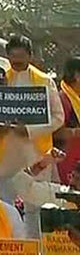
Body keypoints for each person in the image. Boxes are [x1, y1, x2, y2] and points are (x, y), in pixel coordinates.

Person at [0, 35, 64, 237]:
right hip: (7, 152)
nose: (16, 62)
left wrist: (30, 130)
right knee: (5, 205)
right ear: (7, 56)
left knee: (36, 206)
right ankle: (8, 248)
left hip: (37, 153)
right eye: (12, 57)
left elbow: (58, 118)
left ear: (30, 56)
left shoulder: (44, 80)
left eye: (21, 57)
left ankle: (37, 248)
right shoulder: (0, 79)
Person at [54, 57, 80, 185]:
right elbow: (55, 133)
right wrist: (76, 132)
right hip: (67, 162)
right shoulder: (62, 99)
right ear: (77, 76)